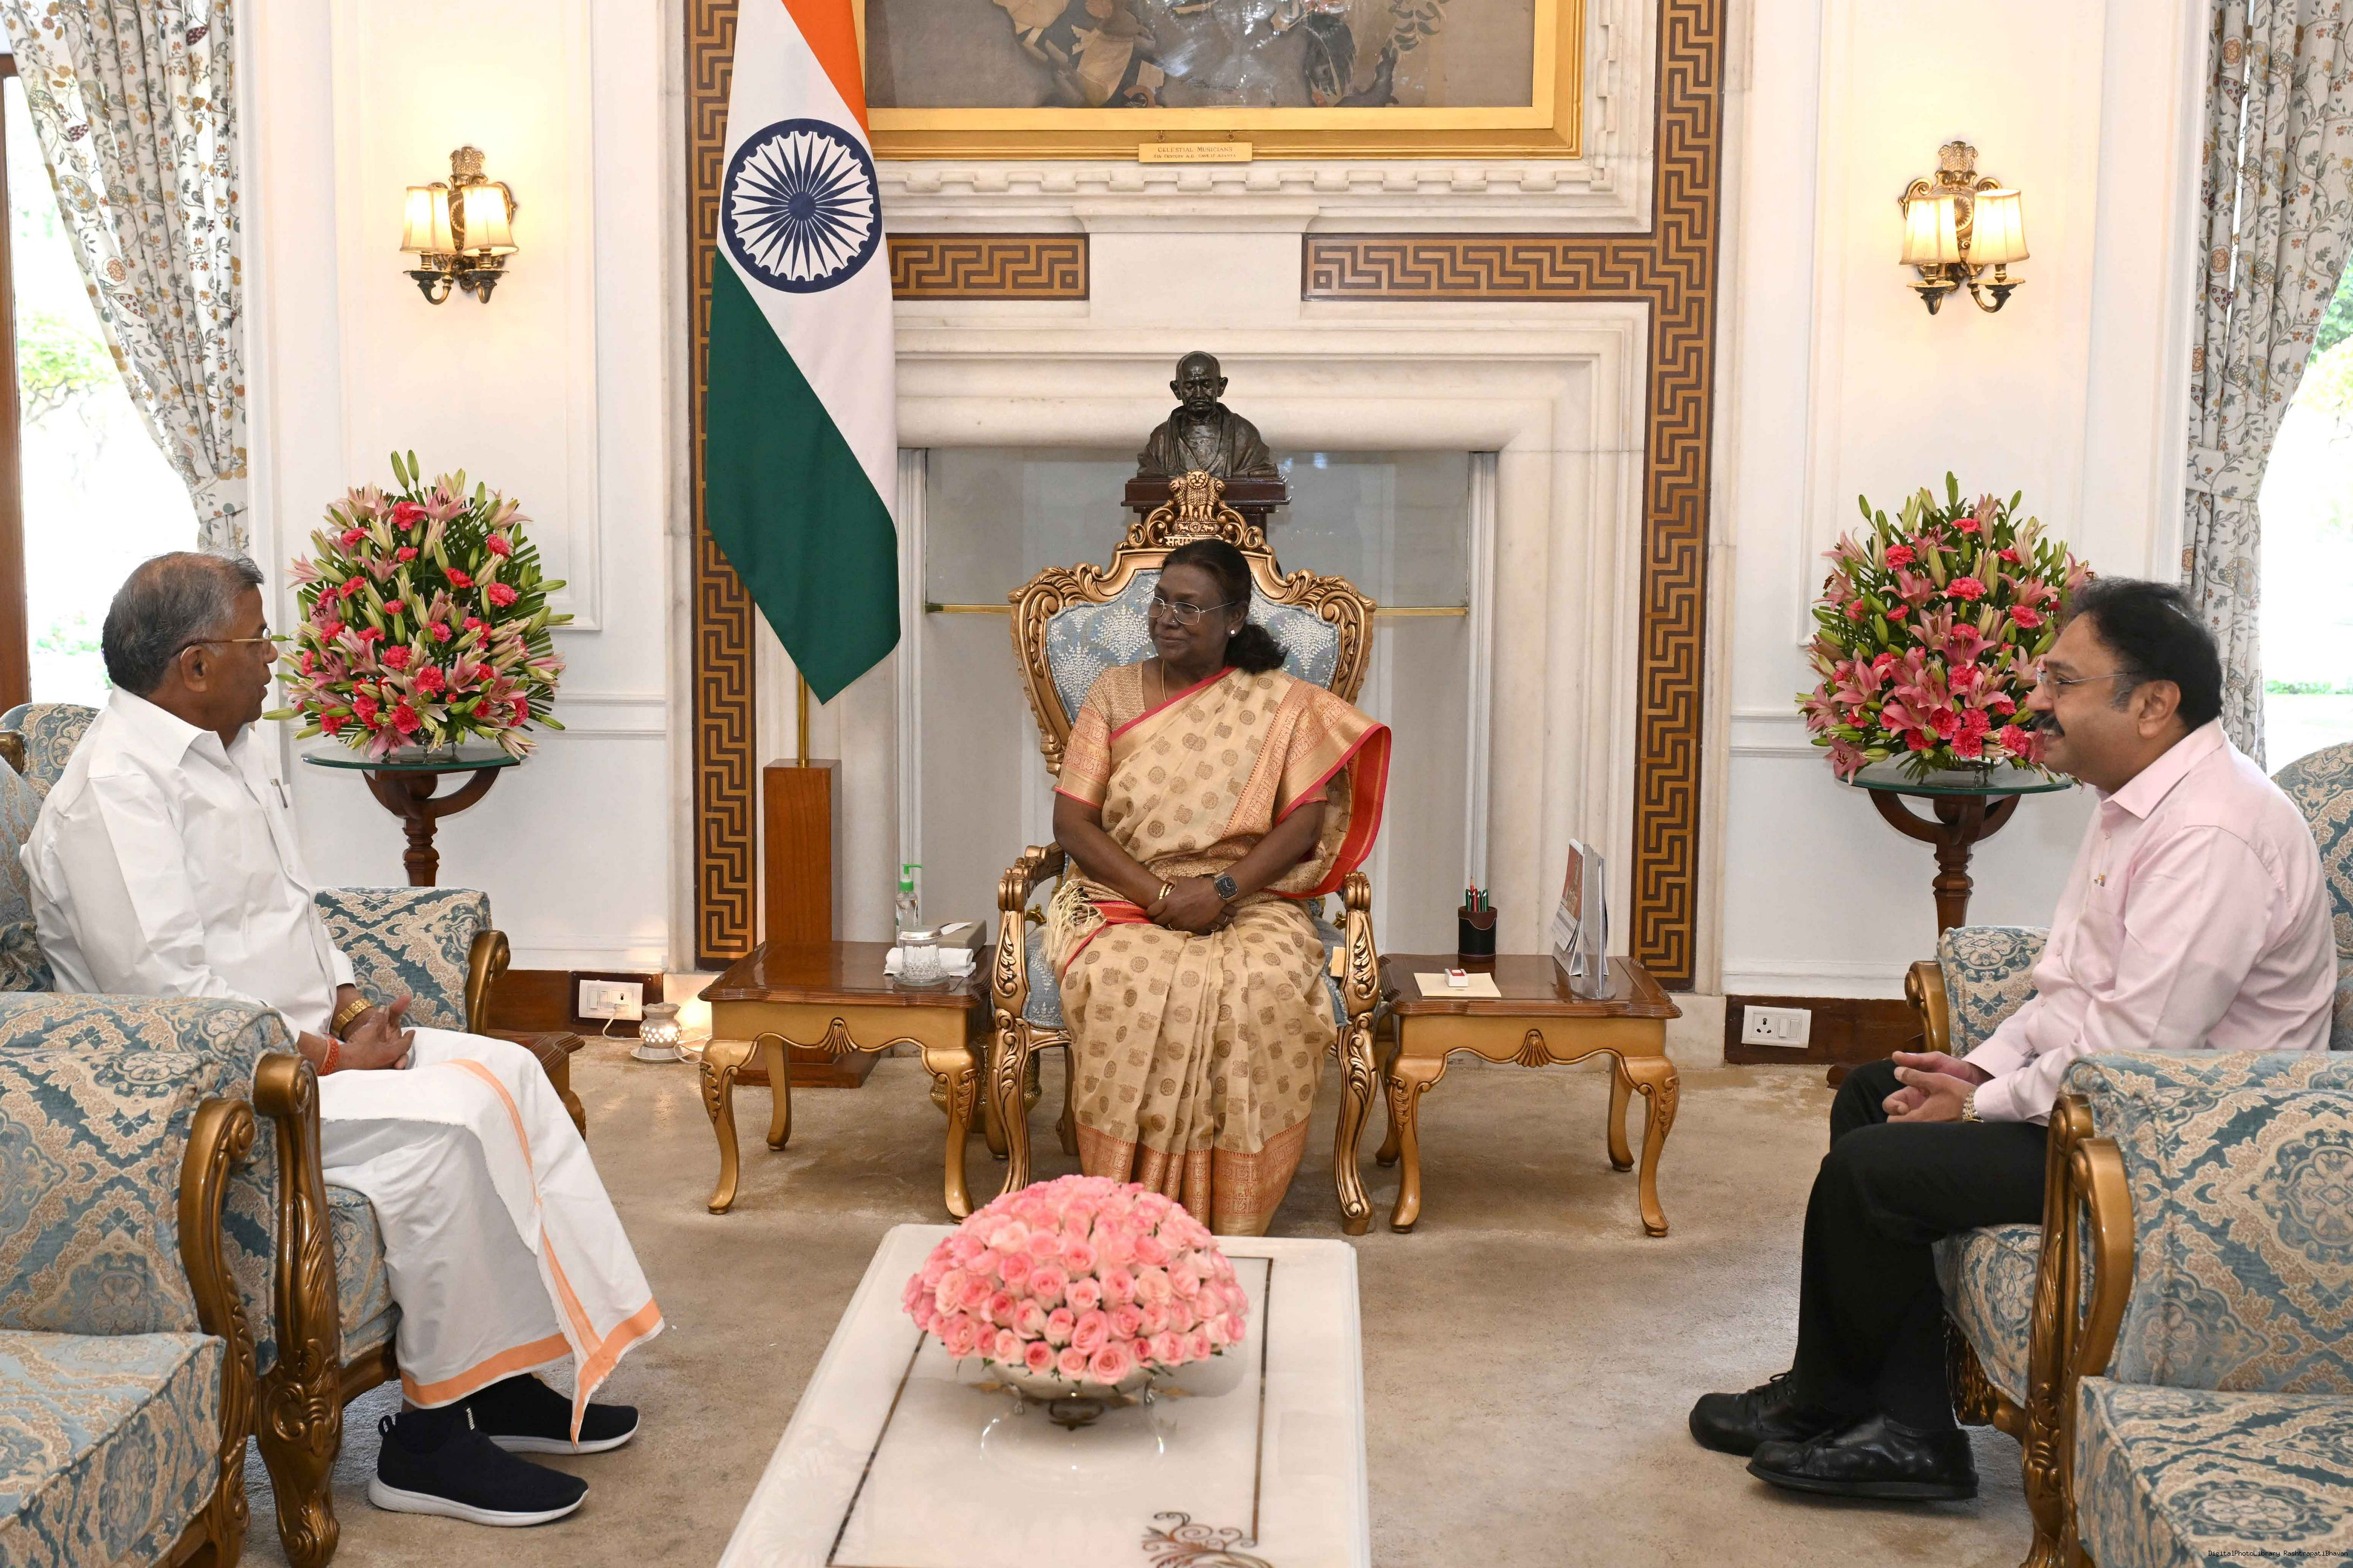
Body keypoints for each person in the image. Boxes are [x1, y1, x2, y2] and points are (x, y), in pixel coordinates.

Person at [24, 552, 661, 1528]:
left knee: (511, 1071)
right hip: (216, 1094)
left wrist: (353, 1004)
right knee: (451, 1127)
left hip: (312, 1049)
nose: (275, 656)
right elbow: (173, 1001)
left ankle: (499, 1378)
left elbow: (295, 912)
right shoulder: (113, 792)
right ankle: (429, 1443)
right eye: (257, 638)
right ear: (195, 664)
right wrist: (330, 1060)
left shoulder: (230, 749)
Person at [1691, 576, 2334, 1500]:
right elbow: (2066, 986)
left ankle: (1913, 1442)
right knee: (1872, 1093)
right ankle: (1839, 1398)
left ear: (2154, 703)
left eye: (2062, 681)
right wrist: (1974, 1068)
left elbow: (2128, 1054)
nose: (2035, 700)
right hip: (2118, 1104)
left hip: (2181, 1144)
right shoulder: (2136, 798)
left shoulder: (2212, 833)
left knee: (1874, 1168)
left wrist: (1976, 1106)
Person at [1046, 537, 1389, 1234]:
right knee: (1122, 982)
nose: (1166, 618)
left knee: (1262, 984)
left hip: (1249, 896)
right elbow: (1072, 823)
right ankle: (1126, 1208)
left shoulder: (1280, 703)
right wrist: (1160, 896)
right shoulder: (1112, 692)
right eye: (1160, 601)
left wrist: (1223, 889)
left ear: (1234, 618)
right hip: (1123, 894)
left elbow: (1303, 823)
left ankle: (1233, 1211)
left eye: (1189, 606)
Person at [1134, 352, 1281, 480]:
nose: (1199, 394)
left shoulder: (1244, 436)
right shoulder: (1161, 439)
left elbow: (1261, 474)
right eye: (1190, 386)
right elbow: (1149, 476)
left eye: (1206, 385)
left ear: (1221, 386)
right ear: (1177, 390)